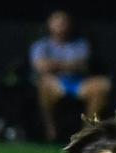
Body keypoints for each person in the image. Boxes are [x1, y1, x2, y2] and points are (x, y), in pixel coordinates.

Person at [30, 10, 110, 142]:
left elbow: (82, 65)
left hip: (77, 82)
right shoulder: (41, 45)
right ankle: (51, 131)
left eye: (64, 22)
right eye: (57, 21)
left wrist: (55, 65)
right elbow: (41, 67)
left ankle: (87, 131)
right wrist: (67, 65)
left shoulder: (81, 44)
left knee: (102, 85)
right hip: (55, 83)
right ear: (49, 24)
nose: (61, 25)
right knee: (44, 84)